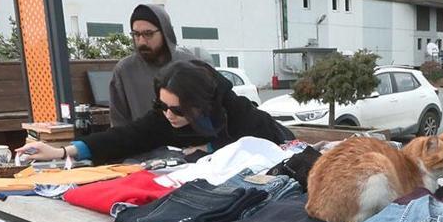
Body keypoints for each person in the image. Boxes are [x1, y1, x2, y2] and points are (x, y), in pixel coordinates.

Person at [17, 60, 294, 164]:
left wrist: (207, 146)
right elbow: (125, 137)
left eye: (177, 108)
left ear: (201, 104)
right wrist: (62, 152)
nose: (168, 115)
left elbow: (265, 147)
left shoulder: (240, 114)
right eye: (162, 106)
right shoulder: (165, 118)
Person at [109, 4, 213, 128]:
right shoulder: (124, 70)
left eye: (148, 34)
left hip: (190, 144)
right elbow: (118, 123)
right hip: (141, 144)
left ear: (165, 32)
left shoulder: (191, 64)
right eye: (136, 34)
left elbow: (211, 112)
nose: (141, 41)